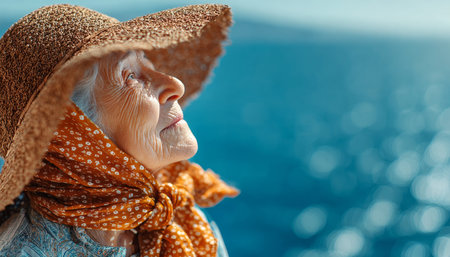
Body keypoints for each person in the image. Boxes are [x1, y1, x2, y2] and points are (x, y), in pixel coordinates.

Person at [0, 4, 238, 257]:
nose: (175, 84)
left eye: (147, 62)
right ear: (76, 133)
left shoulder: (178, 213)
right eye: (130, 77)